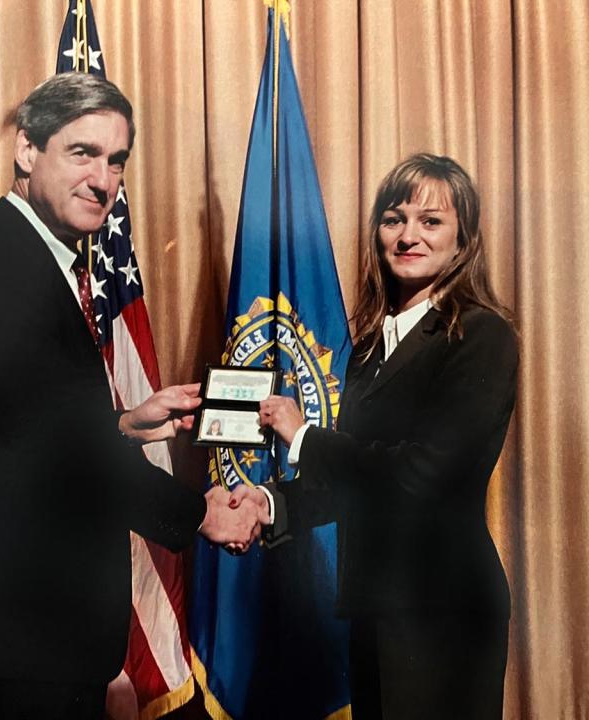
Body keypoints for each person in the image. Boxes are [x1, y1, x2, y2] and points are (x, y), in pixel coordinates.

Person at [0, 73, 264, 719]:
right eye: (83, 153)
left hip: (37, 635)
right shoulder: (2, 272)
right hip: (20, 639)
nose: (104, 181)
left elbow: (31, 437)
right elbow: (67, 463)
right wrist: (201, 515)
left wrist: (124, 424)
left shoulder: (27, 259)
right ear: (27, 150)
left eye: (117, 161)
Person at [234, 154, 518, 719]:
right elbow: (357, 481)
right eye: (394, 219)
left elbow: (421, 474)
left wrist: (304, 439)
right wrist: (267, 505)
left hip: (441, 613)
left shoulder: (482, 335)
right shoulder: (368, 349)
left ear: (464, 240)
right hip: (375, 606)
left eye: (431, 221)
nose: (409, 235)